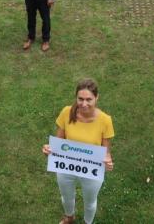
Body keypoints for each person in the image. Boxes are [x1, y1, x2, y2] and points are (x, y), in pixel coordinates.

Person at [42, 79, 114, 224]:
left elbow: (106, 152)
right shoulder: (66, 112)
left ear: (96, 98)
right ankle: (69, 217)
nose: (84, 104)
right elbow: (58, 142)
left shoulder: (105, 120)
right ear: (76, 97)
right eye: (80, 99)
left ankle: (88, 222)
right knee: (66, 197)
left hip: (91, 169)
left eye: (89, 99)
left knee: (90, 202)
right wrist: (49, 150)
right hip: (65, 166)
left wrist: (108, 162)